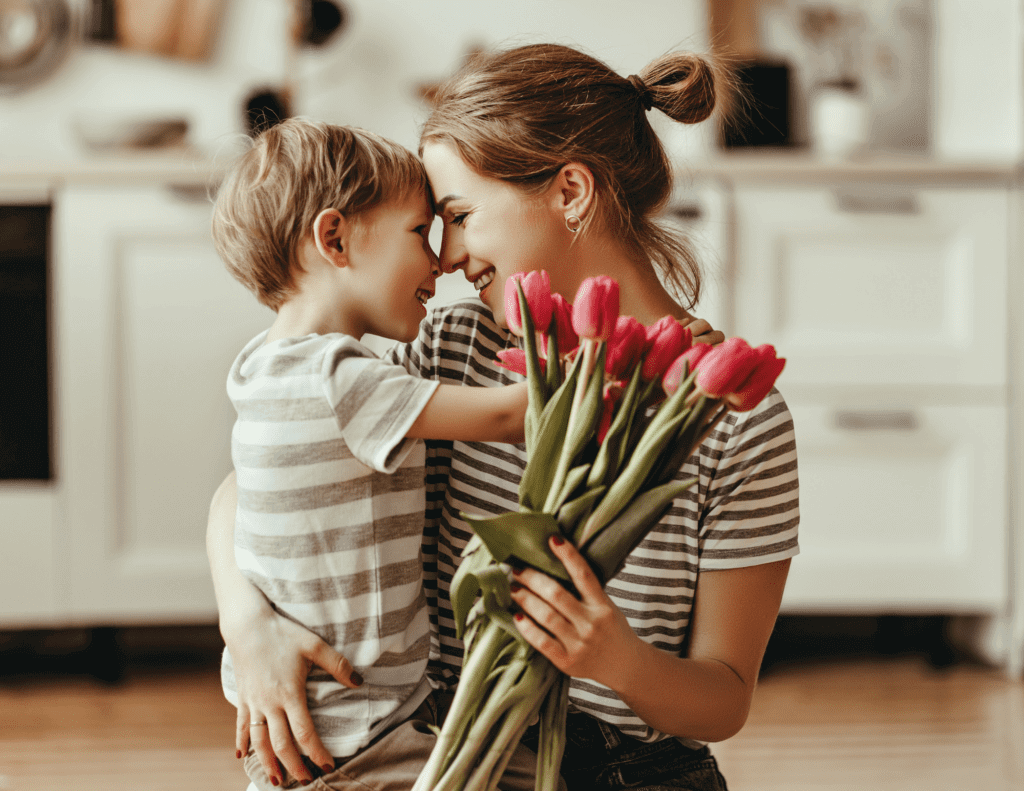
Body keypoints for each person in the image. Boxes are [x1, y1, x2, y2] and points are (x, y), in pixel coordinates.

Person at [208, 44, 799, 791]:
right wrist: (248, 624)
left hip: (626, 771)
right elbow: (258, 479)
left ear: (571, 191)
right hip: (444, 751)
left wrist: (613, 655)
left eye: (457, 215)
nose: (447, 256)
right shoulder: (454, 347)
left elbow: (724, 698)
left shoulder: (733, 417)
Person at [209, 117, 532, 791]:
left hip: (319, 722)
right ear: (334, 238)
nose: (441, 260)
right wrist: (642, 360)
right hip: (362, 733)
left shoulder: (261, 366)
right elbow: (508, 415)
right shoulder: (343, 382)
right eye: (420, 231)